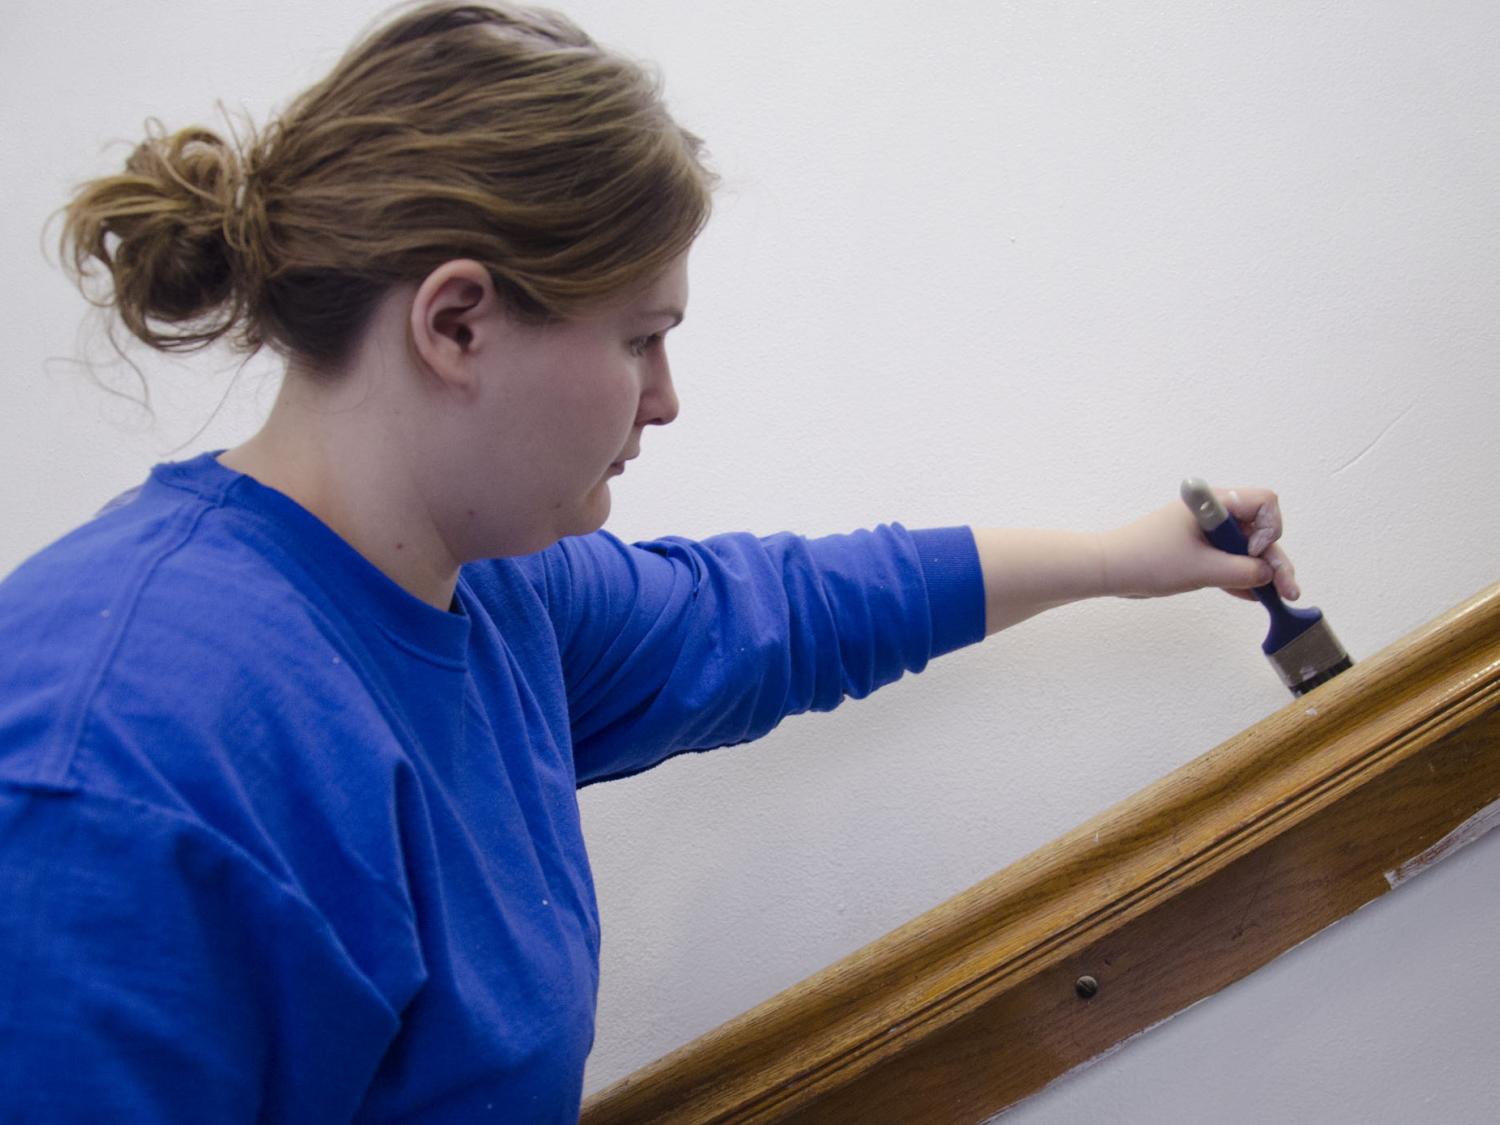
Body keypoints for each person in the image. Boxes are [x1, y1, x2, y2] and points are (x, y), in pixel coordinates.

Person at [0, 1, 1299, 1120]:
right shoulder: (119, 765)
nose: (665, 399)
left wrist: (1120, 558)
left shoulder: (487, 593)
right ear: (457, 323)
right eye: (640, 338)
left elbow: (775, 614)